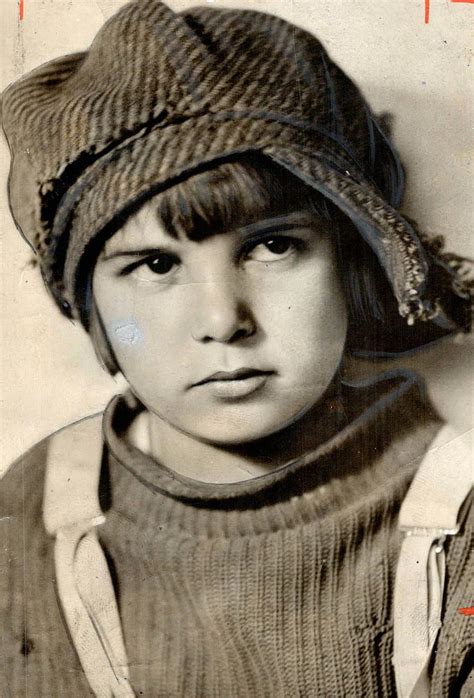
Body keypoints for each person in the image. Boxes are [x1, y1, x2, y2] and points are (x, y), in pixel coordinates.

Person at [0, 1, 472, 696]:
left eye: (273, 246)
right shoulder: (35, 513)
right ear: (88, 302)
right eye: (157, 266)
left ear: (353, 260)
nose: (223, 320)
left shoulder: (455, 517)